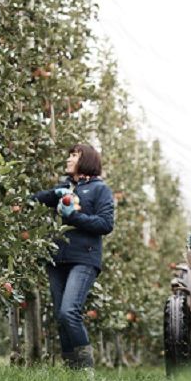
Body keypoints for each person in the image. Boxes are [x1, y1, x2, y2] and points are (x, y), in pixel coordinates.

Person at [33, 144, 114, 369]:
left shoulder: (100, 190)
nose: (68, 159)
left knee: (70, 311)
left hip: (84, 259)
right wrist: (56, 193)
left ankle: (86, 370)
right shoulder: (65, 187)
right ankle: (72, 370)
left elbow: (106, 224)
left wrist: (75, 216)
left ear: (85, 160)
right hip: (58, 259)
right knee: (60, 317)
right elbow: (35, 200)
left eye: (74, 156)